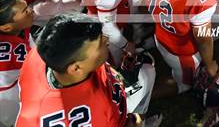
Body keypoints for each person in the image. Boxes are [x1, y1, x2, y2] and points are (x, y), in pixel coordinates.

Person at [16, 13, 157, 126]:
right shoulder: (93, 114)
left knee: (146, 71)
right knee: (147, 74)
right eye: (99, 43)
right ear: (76, 68)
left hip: (107, 96)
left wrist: (114, 74)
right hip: (112, 115)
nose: (106, 40)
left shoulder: (41, 55)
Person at [0, 0, 34, 127]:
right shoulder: (14, 50)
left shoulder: (17, 28)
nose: (31, 10)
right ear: (6, 27)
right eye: (25, 11)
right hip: (5, 97)